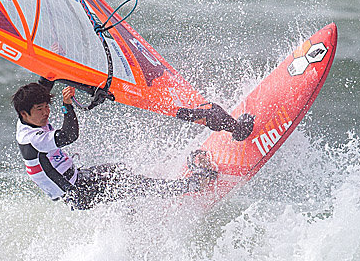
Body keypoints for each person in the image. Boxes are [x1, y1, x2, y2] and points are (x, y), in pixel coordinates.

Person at [12, 79, 218, 210]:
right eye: (40, 108)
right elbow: (69, 135)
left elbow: (44, 85)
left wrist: (53, 62)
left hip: (76, 180)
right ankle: (195, 184)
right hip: (78, 192)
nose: (46, 112)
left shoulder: (25, 120)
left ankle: (136, 208)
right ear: (25, 113)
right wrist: (66, 106)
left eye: (47, 106)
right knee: (131, 183)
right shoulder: (34, 138)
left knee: (119, 171)